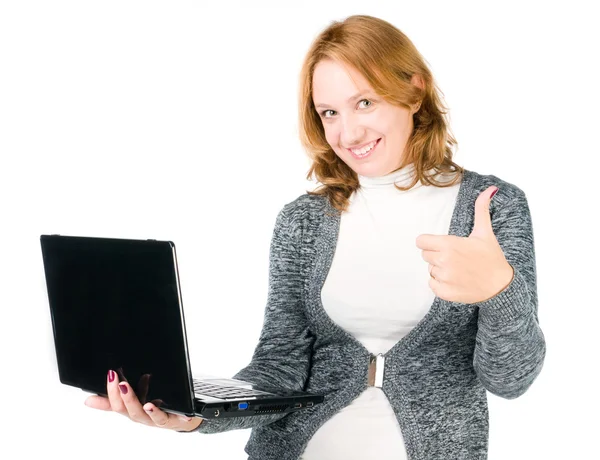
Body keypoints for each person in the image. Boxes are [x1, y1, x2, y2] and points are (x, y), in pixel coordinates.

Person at [85, 14, 546, 460]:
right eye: (330, 111)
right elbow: (279, 368)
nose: (348, 132)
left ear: (413, 90)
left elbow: (511, 379)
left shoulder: (490, 207)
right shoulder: (304, 221)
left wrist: (499, 290)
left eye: (365, 102)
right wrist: (196, 415)